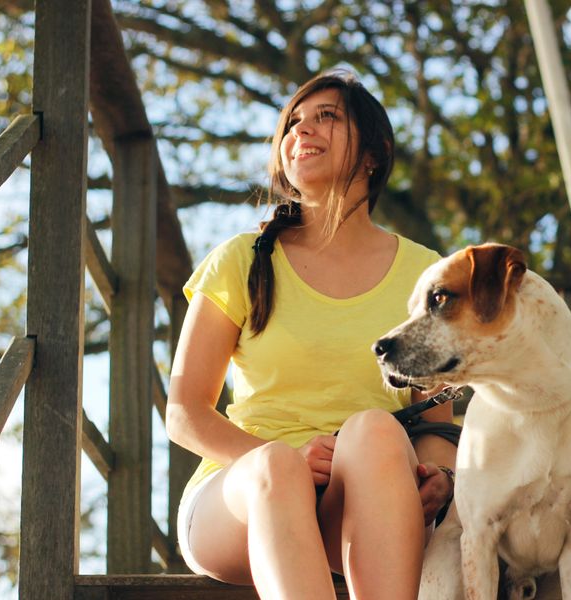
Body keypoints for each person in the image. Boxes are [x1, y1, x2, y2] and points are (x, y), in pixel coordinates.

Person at [166, 70, 457, 599]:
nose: (302, 130)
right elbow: (184, 413)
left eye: (327, 117)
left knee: (374, 429)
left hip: (365, 500)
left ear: (374, 154)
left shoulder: (424, 274)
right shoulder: (240, 260)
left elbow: (437, 422)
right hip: (242, 500)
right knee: (278, 466)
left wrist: (440, 474)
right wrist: (290, 458)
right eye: (293, 123)